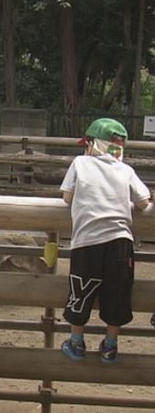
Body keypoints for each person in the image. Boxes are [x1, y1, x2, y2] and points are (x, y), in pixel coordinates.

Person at [60, 117, 152, 364]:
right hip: (120, 242)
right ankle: (110, 346)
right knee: (118, 291)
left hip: (87, 241)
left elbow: (67, 197)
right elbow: (144, 201)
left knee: (81, 289)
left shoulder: (80, 163)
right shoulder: (126, 170)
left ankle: (77, 343)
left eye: (87, 143)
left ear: (93, 144)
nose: (85, 148)